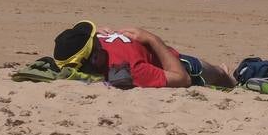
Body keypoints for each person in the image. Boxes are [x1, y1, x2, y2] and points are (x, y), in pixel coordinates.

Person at [52, 20, 236, 89]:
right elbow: (183, 79)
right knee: (219, 75)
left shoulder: (100, 43)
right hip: (178, 63)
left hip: (169, 58)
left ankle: (226, 74)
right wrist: (152, 39)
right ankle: (227, 77)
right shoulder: (128, 69)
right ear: (94, 56)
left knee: (220, 74)